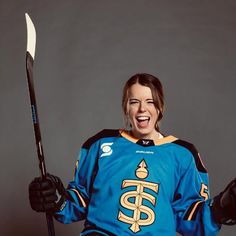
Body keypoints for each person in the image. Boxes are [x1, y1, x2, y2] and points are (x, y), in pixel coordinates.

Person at [29, 73, 236, 235]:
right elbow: (79, 202)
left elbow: (190, 219)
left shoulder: (182, 154)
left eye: (150, 101)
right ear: (125, 108)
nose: (141, 109)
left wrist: (220, 210)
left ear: (160, 107)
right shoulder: (100, 144)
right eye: (134, 101)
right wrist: (55, 200)